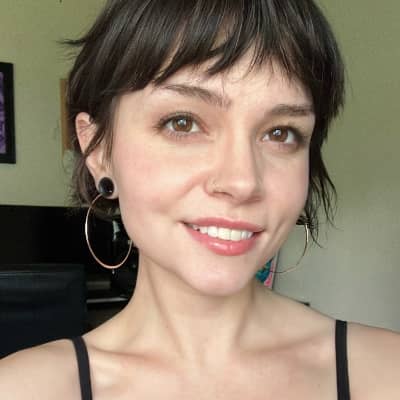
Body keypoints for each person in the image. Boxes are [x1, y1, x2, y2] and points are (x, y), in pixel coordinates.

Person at [1, 0, 399, 398]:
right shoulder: (23, 389)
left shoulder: (386, 374)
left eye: (280, 133)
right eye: (183, 123)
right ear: (98, 150)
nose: (242, 182)